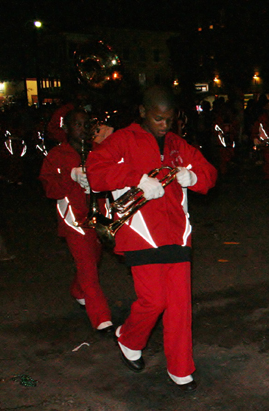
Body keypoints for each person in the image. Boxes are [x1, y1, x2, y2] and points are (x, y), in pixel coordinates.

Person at [86, 86, 217, 391]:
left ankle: (181, 368)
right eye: (158, 118)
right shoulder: (123, 139)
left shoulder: (177, 144)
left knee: (180, 306)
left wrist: (194, 177)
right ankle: (128, 338)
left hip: (177, 234)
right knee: (154, 300)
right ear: (143, 112)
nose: (164, 125)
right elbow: (95, 173)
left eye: (170, 119)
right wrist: (136, 179)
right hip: (140, 233)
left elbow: (209, 174)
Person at [38, 108, 114, 335]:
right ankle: (101, 318)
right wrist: (70, 176)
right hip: (74, 220)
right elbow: (50, 190)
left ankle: (78, 290)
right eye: (77, 125)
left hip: (99, 217)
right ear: (66, 128)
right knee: (88, 266)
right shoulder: (56, 155)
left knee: (93, 259)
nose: (82, 130)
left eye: (85, 125)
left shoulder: (98, 150)